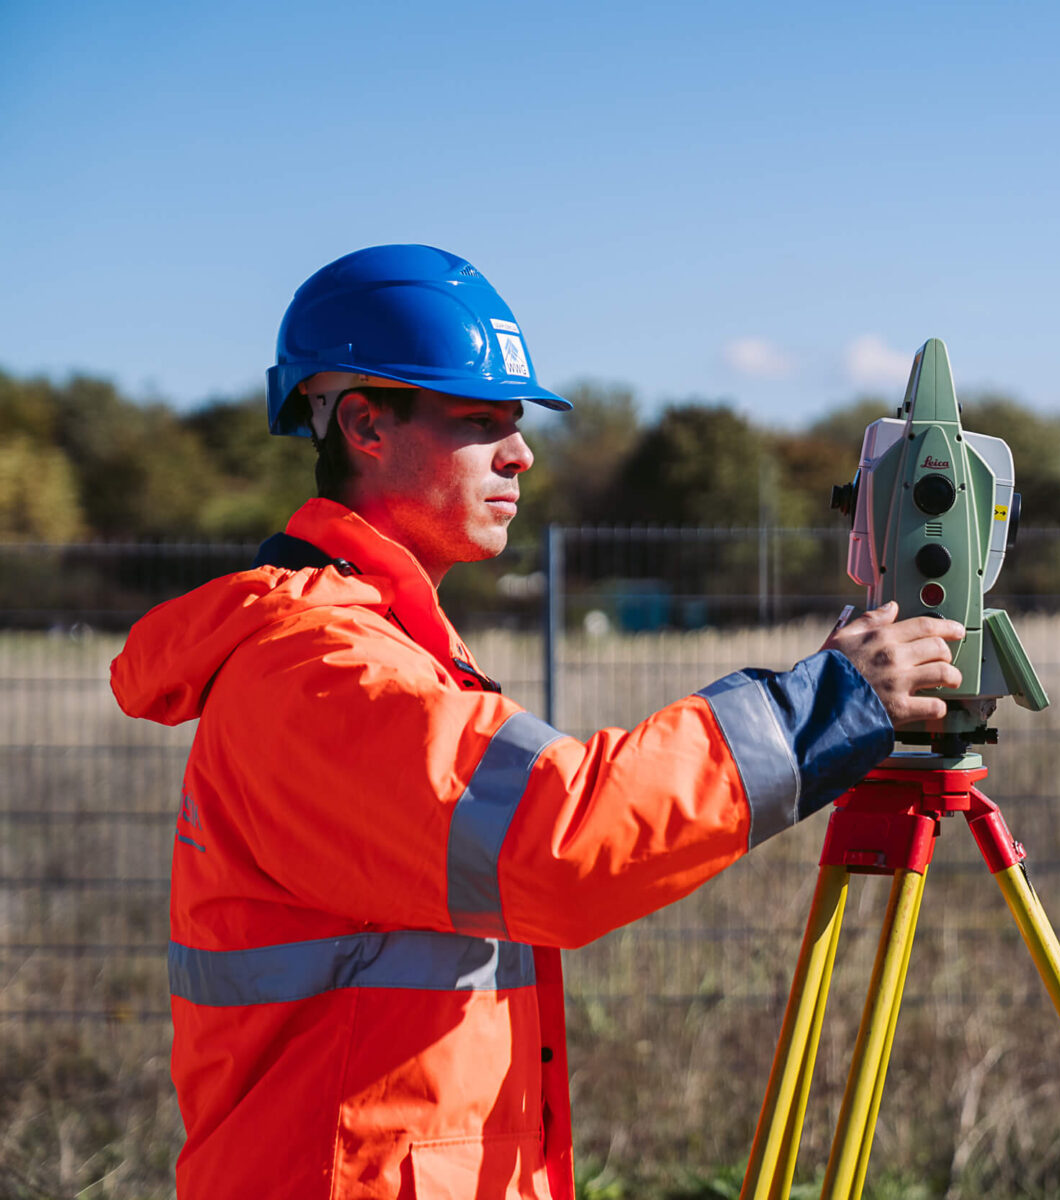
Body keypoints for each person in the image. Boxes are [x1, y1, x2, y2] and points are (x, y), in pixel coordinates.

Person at [110, 244, 965, 1199]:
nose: (520, 453)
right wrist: (825, 707)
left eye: (516, 424)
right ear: (364, 424)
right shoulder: (321, 670)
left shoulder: (387, 646)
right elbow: (559, 847)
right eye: (481, 422)